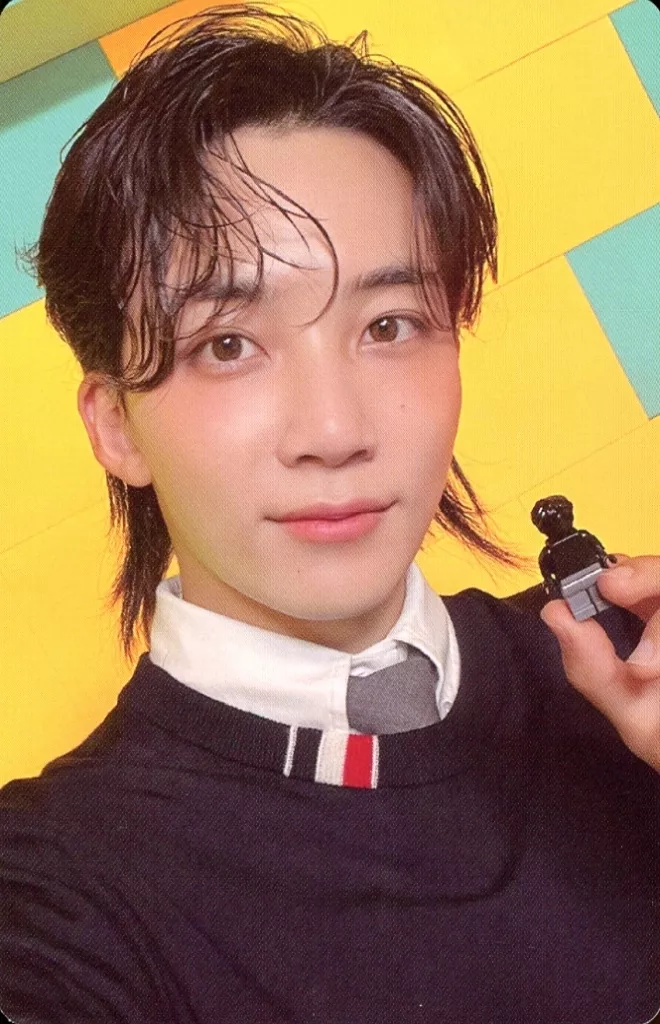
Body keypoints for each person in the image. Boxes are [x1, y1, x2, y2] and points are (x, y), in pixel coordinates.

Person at [1, 5, 658, 1022]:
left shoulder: (621, 667)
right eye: (227, 344)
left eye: (389, 325)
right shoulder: (59, 892)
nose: (335, 429)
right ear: (116, 424)